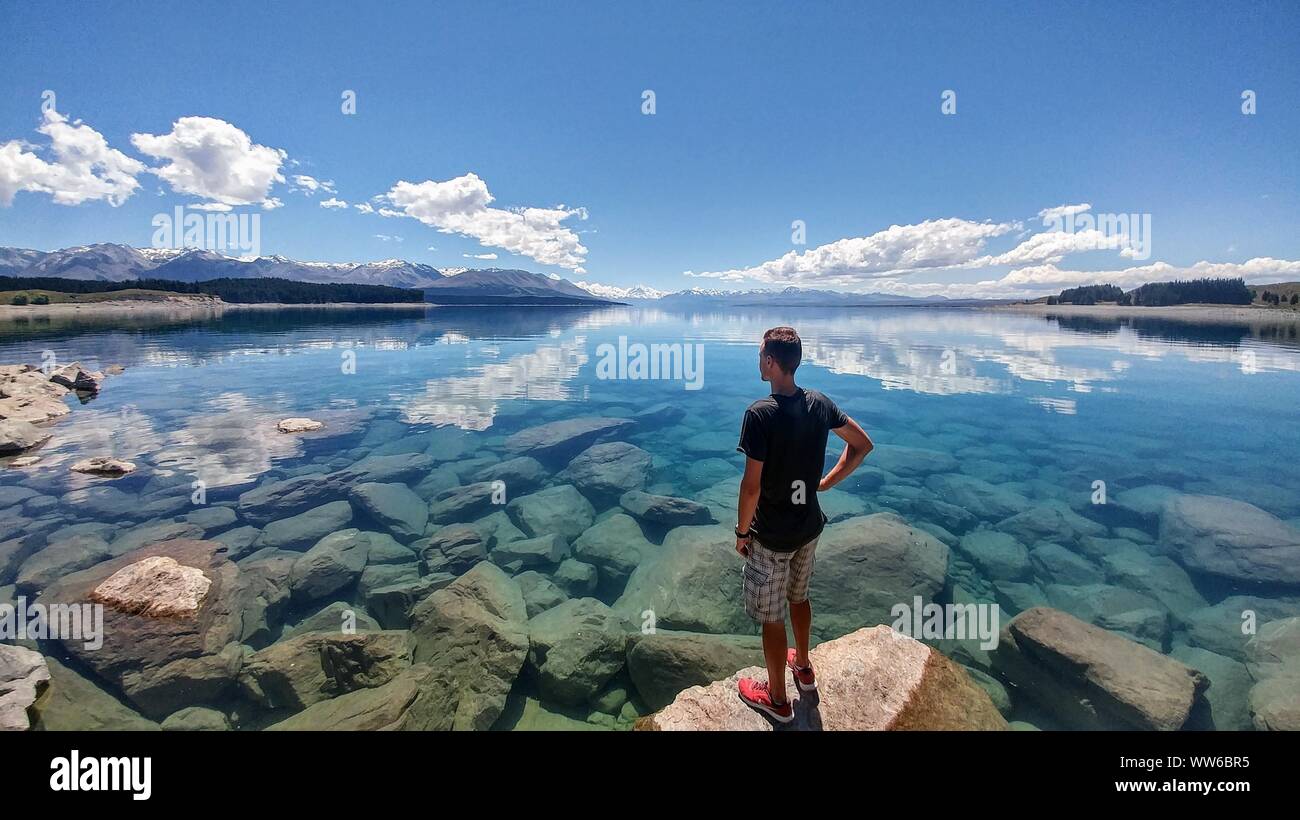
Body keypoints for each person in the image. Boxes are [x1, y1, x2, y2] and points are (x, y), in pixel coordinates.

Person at [733, 326, 873, 722]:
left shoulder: (759, 415)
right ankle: (804, 667)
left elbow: (751, 487)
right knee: (800, 596)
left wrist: (742, 533)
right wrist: (824, 484)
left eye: (761, 355)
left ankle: (777, 701)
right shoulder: (819, 403)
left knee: (771, 617)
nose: (759, 360)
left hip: (772, 537)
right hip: (809, 527)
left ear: (772, 363)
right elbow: (862, 444)